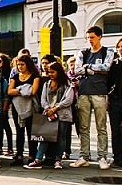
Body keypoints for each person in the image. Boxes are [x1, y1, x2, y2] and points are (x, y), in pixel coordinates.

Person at [71, 26, 115, 169]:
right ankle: (84, 156)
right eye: (88, 37)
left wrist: (88, 68)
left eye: (92, 37)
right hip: (84, 92)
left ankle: (102, 157)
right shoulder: (83, 52)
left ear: (100, 36)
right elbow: (76, 70)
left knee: (101, 126)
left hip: (99, 92)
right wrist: (92, 70)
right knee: (83, 127)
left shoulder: (107, 51)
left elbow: (106, 67)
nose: (90, 40)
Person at [25, 62, 74, 170]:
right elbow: (43, 99)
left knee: (61, 138)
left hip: (62, 114)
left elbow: (68, 99)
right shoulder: (47, 84)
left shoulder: (67, 83)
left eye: (53, 72)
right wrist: (48, 109)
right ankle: (38, 159)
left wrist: (55, 109)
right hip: (49, 114)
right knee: (44, 137)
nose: (50, 74)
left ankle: (58, 160)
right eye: (49, 72)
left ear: (58, 72)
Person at [8, 55, 41, 166]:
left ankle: (32, 155)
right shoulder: (15, 77)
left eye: (22, 64)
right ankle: (19, 156)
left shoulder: (35, 76)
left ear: (28, 64)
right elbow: (9, 91)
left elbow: (33, 92)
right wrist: (24, 89)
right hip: (17, 108)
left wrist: (17, 90)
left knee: (31, 132)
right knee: (19, 132)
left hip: (31, 108)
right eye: (18, 64)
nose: (20, 66)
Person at [108, 38, 122, 168]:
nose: (121, 49)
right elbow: (109, 83)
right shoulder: (114, 64)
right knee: (115, 130)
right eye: (119, 47)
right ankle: (117, 157)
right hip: (115, 99)